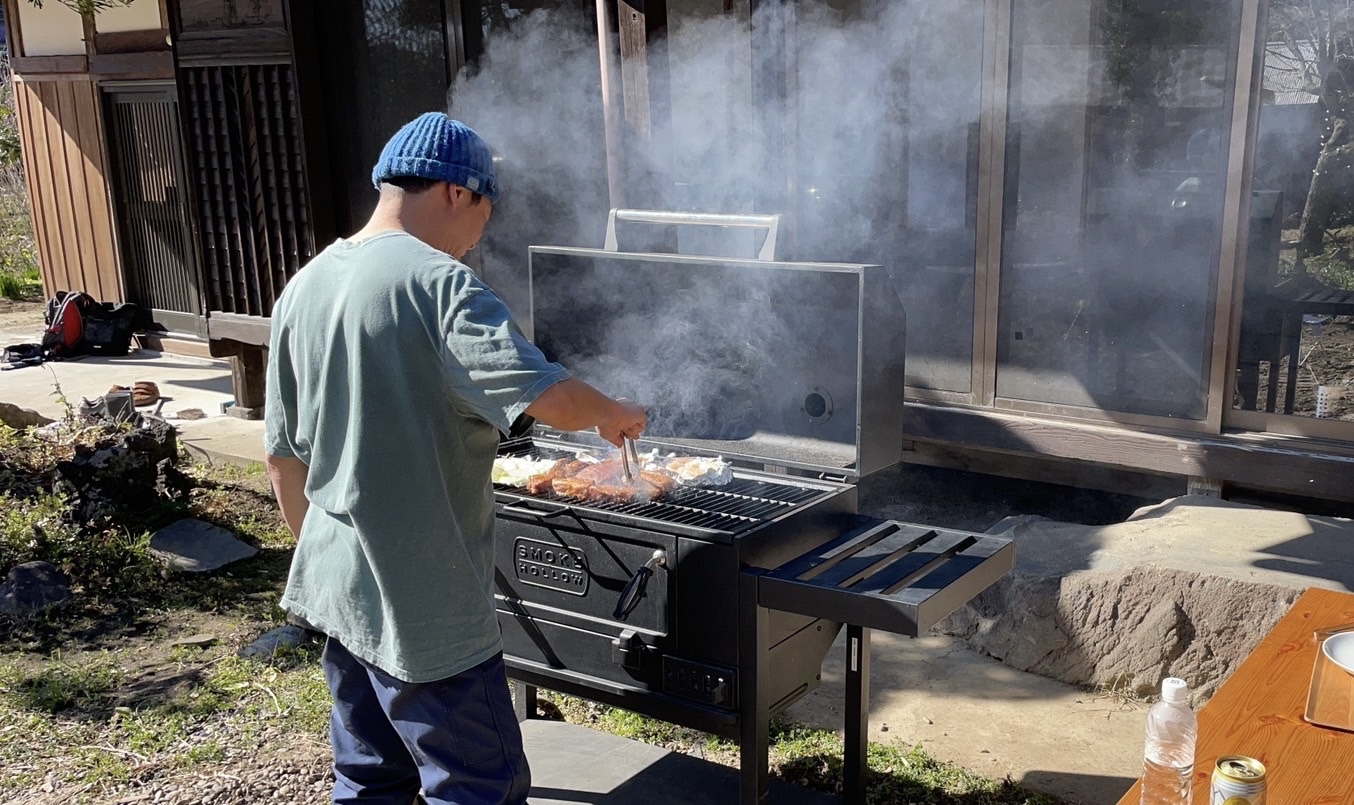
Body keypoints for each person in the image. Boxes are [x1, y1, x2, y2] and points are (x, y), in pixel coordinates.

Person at [263, 111, 647, 805]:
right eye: (484, 215)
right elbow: (552, 399)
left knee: (369, 777)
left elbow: (281, 461)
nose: (477, 241)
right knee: (478, 785)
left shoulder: (306, 285)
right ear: (457, 193)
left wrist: (343, 561)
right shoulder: (441, 287)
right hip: (427, 606)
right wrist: (615, 414)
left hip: (339, 589)